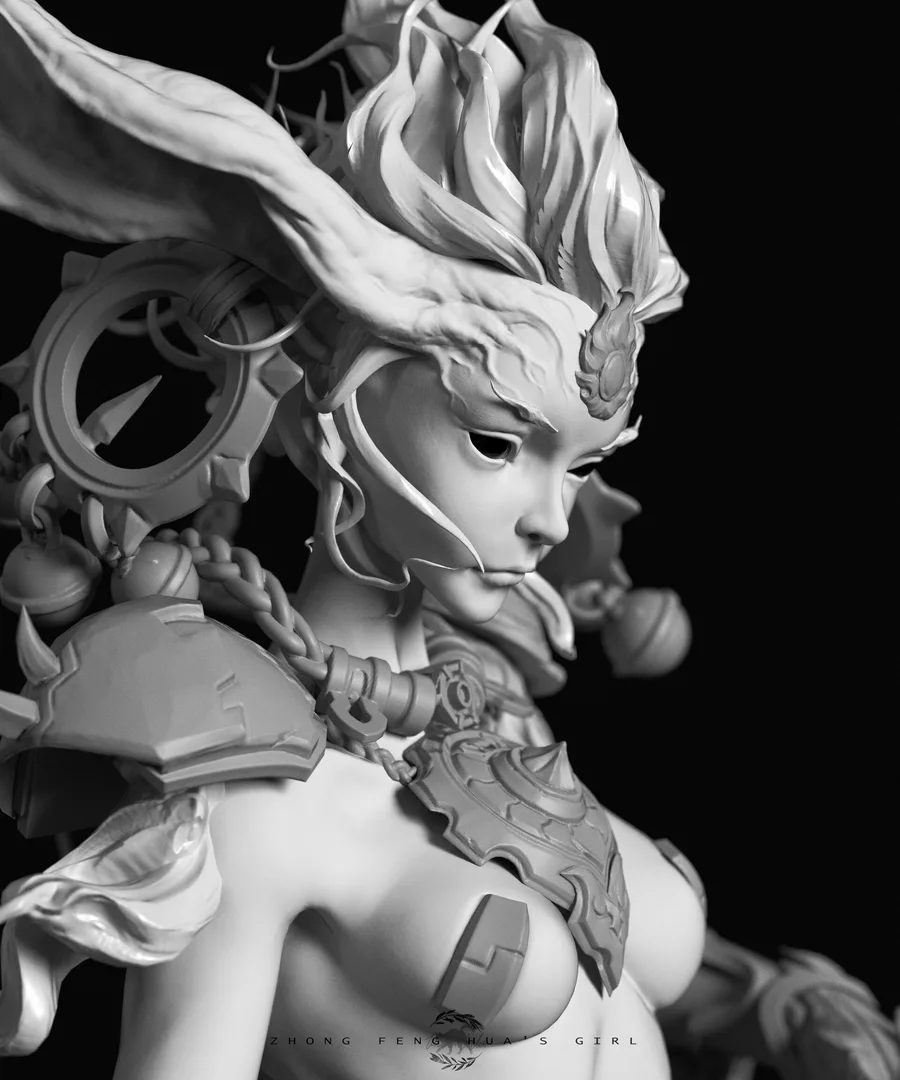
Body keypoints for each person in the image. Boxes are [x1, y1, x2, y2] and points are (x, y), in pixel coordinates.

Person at [0, 2, 896, 1078]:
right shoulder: (249, 798)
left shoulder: (494, 711)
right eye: (495, 442)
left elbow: (605, 993)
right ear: (338, 403)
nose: (550, 517)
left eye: (581, 465)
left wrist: (778, 1006)